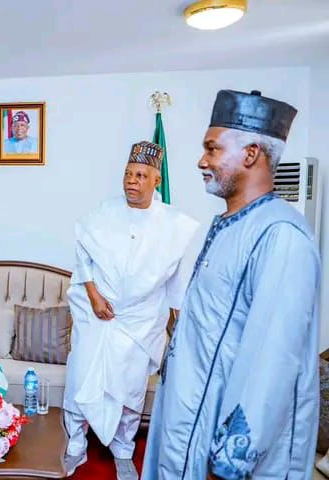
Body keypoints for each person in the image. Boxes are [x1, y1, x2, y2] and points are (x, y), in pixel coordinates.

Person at [142, 90, 320, 479]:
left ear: (251, 154)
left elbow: (270, 364)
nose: (201, 161)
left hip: (222, 457)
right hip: (188, 426)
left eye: (212, 149)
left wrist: (227, 464)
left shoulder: (281, 236)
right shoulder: (229, 224)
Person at [63, 141, 199, 479]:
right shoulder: (103, 213)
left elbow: (177, 282)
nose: (131, 181)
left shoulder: (174, 226)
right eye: (128, 174)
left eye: (140, 175)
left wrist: (179, 323)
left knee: (130, 389)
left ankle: (124, 450)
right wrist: (93, 295)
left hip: (141, 322)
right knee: (81, 379)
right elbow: (83, 258)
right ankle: (75, 444)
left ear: (156, 180)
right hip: (97, 317)